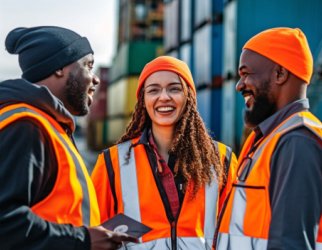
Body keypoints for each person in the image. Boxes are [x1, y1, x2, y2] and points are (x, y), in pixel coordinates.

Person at [0, 26, 136, 250]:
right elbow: (5, 224)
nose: (96, 80)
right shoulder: (26, 126)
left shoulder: (50, 126)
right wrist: (84, 240)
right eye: (88, 66)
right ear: (60, 68)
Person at [91, 56, 237, 249]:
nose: (164, 97)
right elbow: (94, 233)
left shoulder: (221, 159)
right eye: (153, 90)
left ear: (189, 97)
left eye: (174, 88)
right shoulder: (112, 162)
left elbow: (235, 234)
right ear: (143, 99)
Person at [216, 27, 322, 249]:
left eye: (246, 74)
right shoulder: (269, 139)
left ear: (280, 74)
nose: (239, 85)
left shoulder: (296, 142)